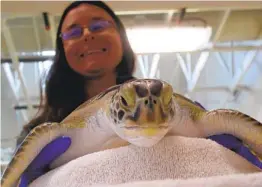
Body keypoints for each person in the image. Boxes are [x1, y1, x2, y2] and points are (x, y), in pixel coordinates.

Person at [14, 1, 261, 186]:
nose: (88, 34)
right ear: (62, 48)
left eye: (99, 26)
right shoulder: (45, 128)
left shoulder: (183, 111)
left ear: (122, 39)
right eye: (74, 32)